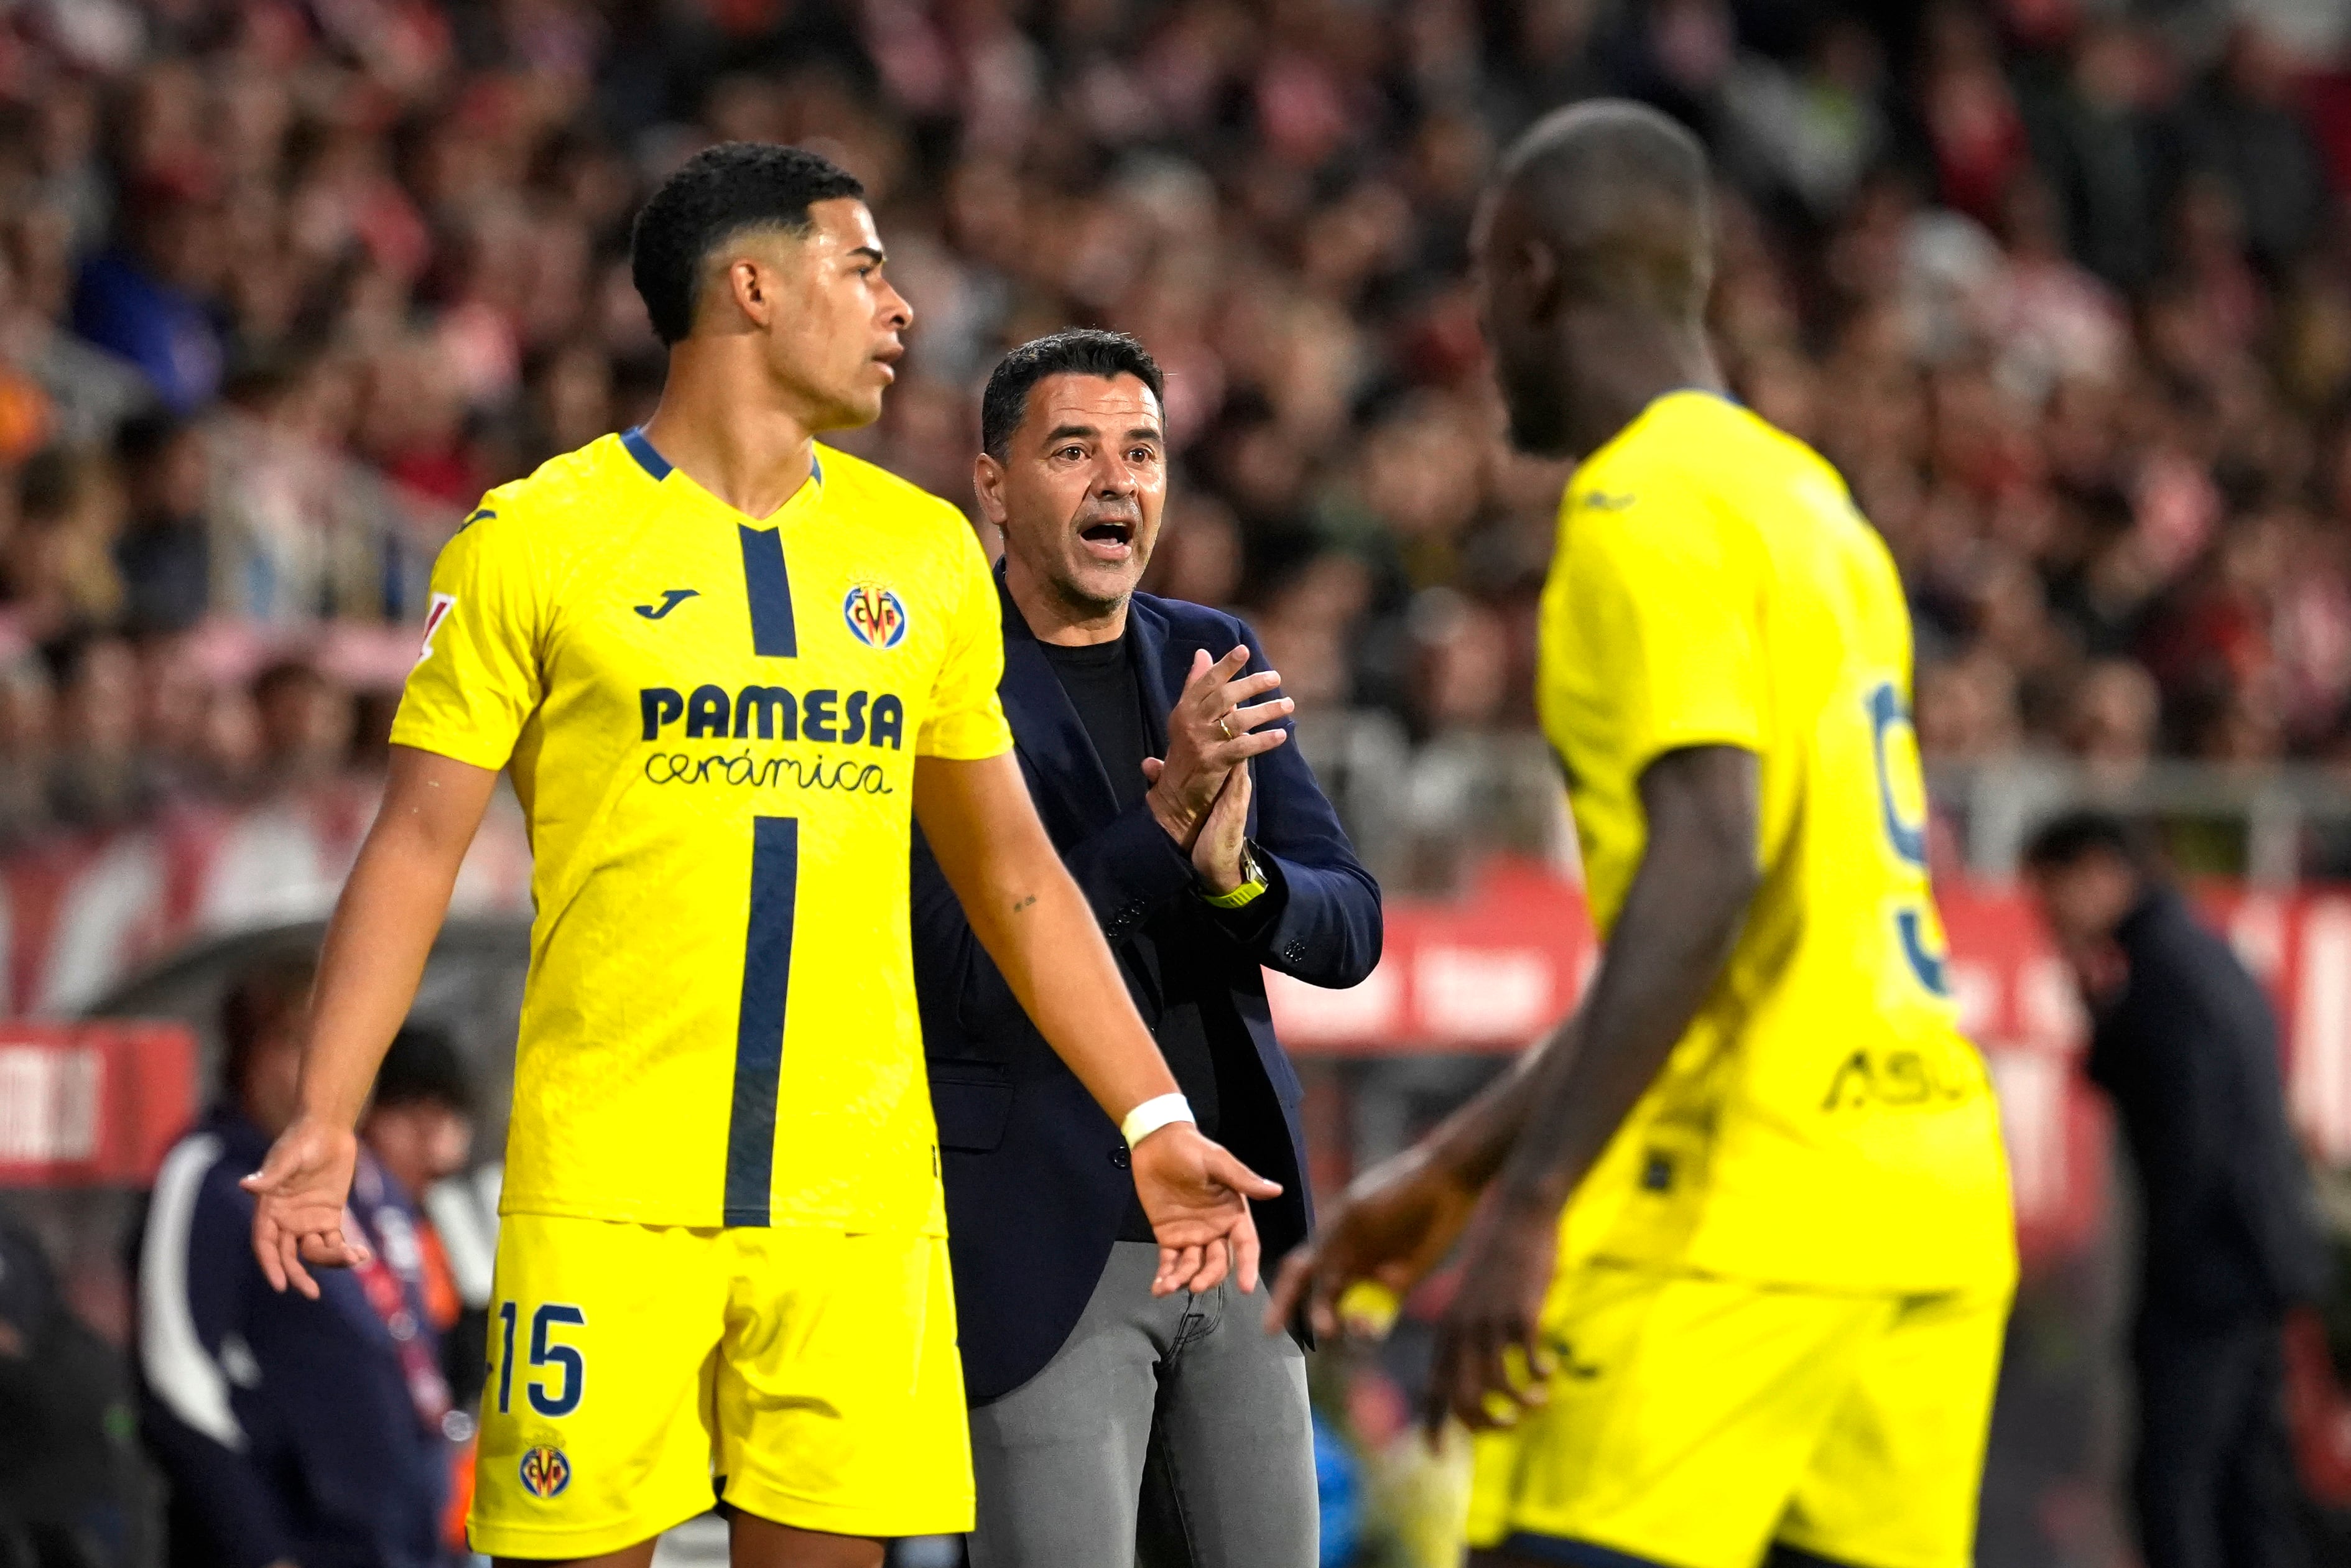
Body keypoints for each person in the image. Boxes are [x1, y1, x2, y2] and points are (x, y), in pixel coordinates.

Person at [236, 142, 1278, 1568]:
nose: (902, 310)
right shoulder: (536, 542)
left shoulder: (919, 559)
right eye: (864, 270)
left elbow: (1018, 877)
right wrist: (326, 1117)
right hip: (607, 1192)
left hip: (854, 1208)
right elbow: (416, 843)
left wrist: (1154, 1121)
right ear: (750, 288)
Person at [1269, 100, 2018, 1568]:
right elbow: (1721, 929)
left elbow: (1704, 869)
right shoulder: (1810, 504)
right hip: (1926, 1186)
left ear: (1536, 272)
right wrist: (1453, 1172)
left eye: (1484, 281)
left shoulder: (1639, 507)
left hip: (1739, 1212)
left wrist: (1530, 1209)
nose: (1477, 329)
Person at [912, 328, 1381, 1566]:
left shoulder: (1210, 649)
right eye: (1074, 450)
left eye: (1143, 452)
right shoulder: (935, 674)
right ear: (995, 485)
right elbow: (956, 974)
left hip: (1235, 1230)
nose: (1118, 481)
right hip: (1046, 1241)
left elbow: (1350, 927)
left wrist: (1239, 883)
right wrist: (1160, 828)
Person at [2024, 810, 2325, 1568]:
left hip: (2207, 1277)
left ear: (2095, 871)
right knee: (2249, 1486)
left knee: (2177, 1484)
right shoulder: (2201, 951)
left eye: (2049, 890)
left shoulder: (2160, 973)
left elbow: (2195, 1133)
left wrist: (2181, 1285)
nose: (2044, 916)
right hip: (2250, 1260)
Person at [137, 950, 449, 1568]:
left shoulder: (373, 1181)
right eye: (297, 1041)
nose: (323, 1065)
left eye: (345, 1040)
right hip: (296, 1546)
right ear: (249, 1053)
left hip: (402, 1543)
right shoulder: (211, 1174)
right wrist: (262, 1550)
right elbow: (179, 1383)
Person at [359, 1026, 489, 1557]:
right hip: (378, 1524)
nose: (430, 1137)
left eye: (444, 1116)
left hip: (463, 1521)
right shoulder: (345, 1229)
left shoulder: (461, 1220)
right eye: (410, 1114)